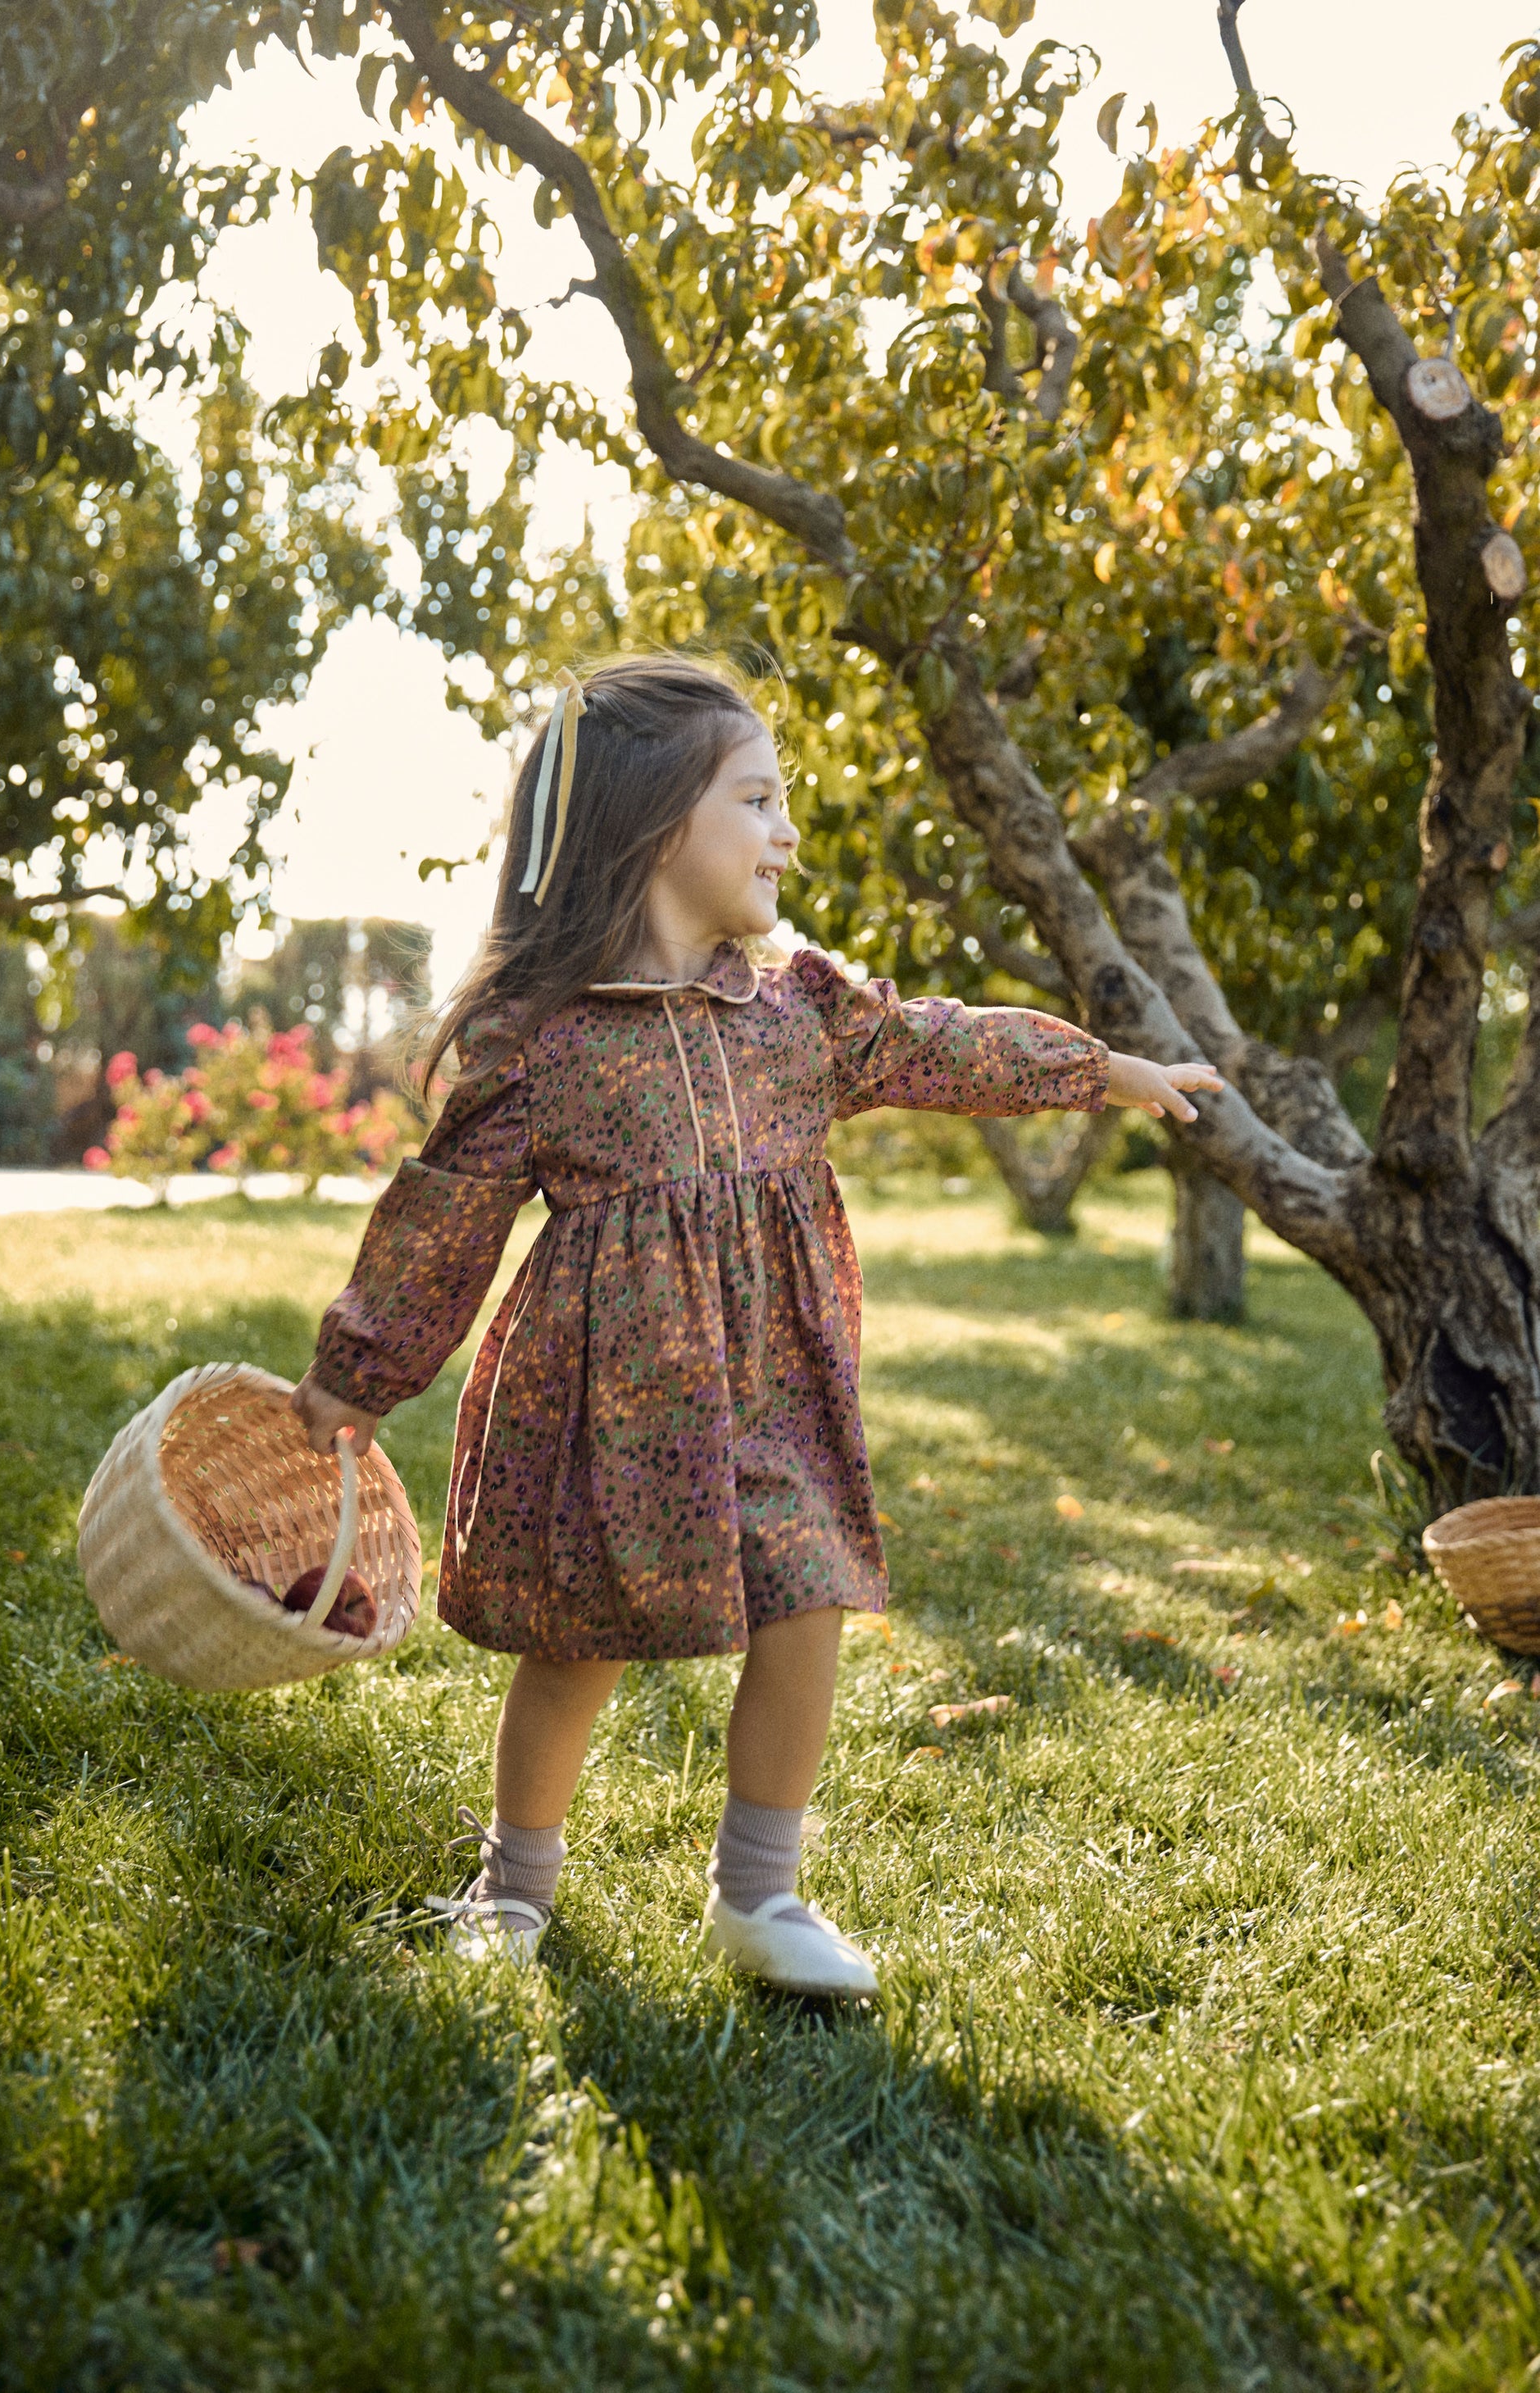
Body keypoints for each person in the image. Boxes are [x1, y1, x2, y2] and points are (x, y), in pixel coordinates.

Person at [292, 656, 1221, 1996]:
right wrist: (358, 1374)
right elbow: (444, 1216)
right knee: (579, 1642)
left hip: (778, 1384)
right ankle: (512, 1882)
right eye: (759, 798)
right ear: (657, 824)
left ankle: (759, 1893)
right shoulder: (542, 1039)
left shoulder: (795, 1009)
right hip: (612, 1403)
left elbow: (937, 1043)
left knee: (809, 1605)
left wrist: (1102, 1068)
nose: (787, 831)